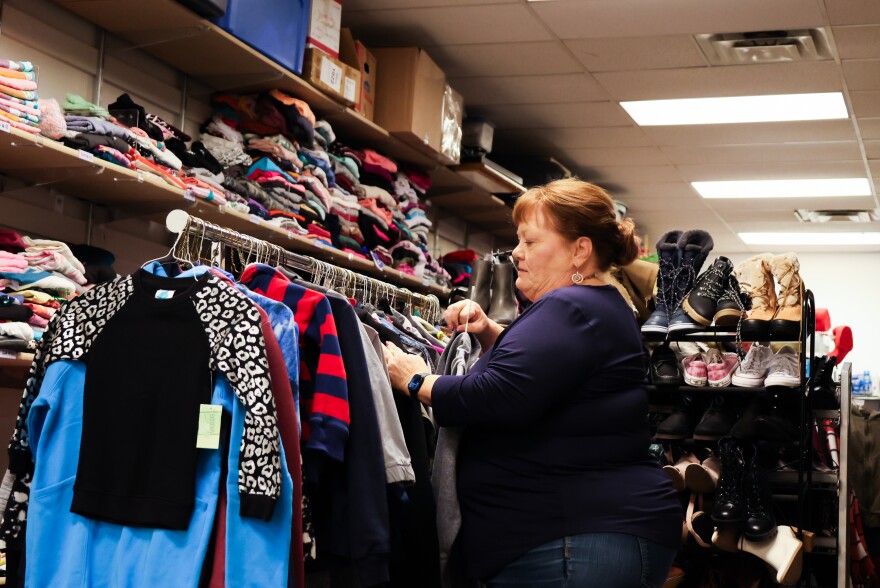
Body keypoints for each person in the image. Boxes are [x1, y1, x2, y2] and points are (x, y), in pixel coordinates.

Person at [384, 178, 682, 587]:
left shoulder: (570, 306)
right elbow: (549, 377)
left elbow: (496, 395)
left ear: (579, 250)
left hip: (572, 540)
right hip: (583, 534)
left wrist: (415, 378)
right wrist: (491, 334)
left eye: (530, 241)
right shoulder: (594, 304)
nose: (516, 252)